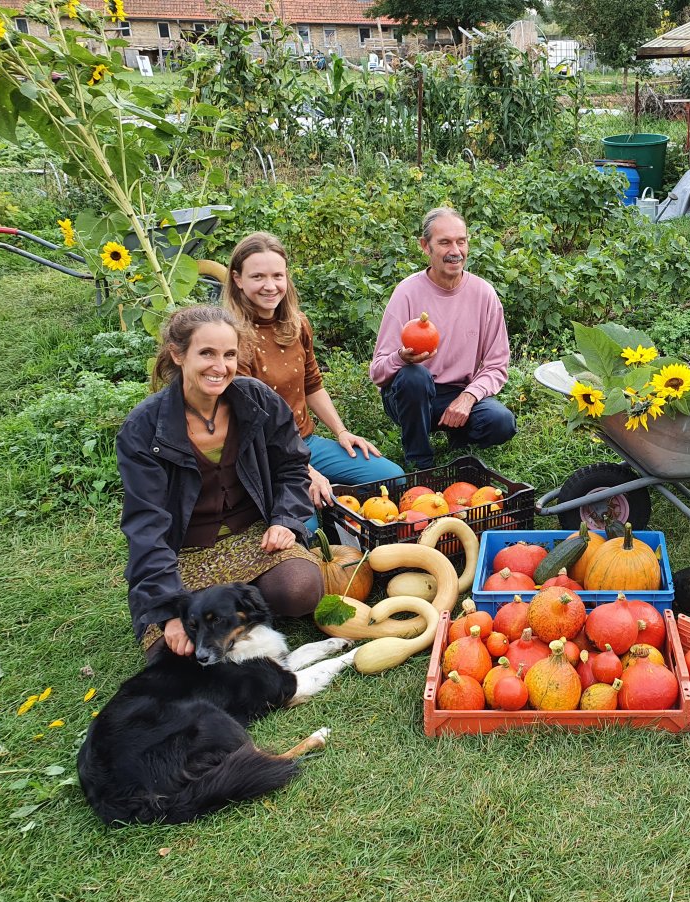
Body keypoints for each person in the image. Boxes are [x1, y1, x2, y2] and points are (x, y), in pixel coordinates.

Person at [117, 305, 324, 661]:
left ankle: (227, 606)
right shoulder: (143, 429)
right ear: (178, 354)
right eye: (207, 353)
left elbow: (292, 465)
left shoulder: (256, 400)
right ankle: (230, 606)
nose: (220, 366)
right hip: (183, 553)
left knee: (301, 589)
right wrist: (168, 611)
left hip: (253, 538)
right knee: (171, 654)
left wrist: (284, 520)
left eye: (229, 355)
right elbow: (146, 526)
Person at [225, 232, 403, 511]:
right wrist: (304, 470)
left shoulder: (297, 325)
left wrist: (341, 431)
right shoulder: (233, 338)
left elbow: (312, 385)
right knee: (302, 523)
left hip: (305, 441)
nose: (270, 286)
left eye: (277, 276)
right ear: (238, 279)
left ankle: (337, 500)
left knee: (391, 478)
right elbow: (251, 423)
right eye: (258, 277)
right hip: (266, 453)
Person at [370, 207, 516, 469]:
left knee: (501, 421)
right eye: (444, 242)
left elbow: (496, 365)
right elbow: (378, 372)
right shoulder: (407, 293)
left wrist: (469, 397)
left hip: (457, 391)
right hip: (410, 393)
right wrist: (401, 358)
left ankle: (457, 435)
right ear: (425, 246)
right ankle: (420, 460)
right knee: (415, 377)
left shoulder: (483, 294)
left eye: (461, 241)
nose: (455, 251)